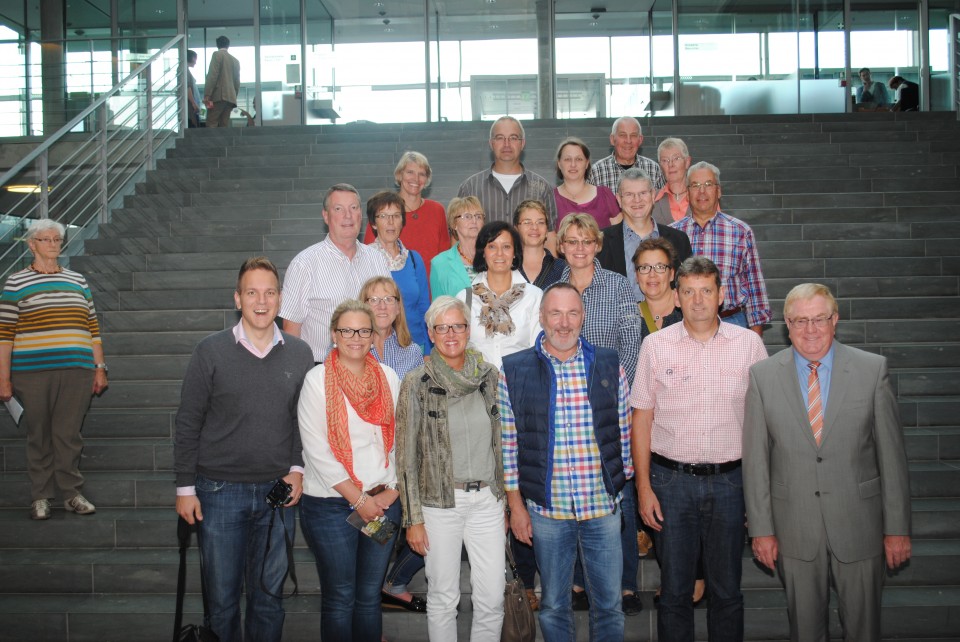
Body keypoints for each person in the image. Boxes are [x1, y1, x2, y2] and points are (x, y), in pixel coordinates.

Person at [743, 283, 912, 641]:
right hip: (794, 530)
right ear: (786, 324)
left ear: (835, 320)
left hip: (860, 525)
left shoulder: (872, 370)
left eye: (819, 319)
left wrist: (896, 528)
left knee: (864, 630)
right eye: (800, 321)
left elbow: (892, 459)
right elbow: (756, 462)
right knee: (805, 631)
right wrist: (761, 529)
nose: (810, 330)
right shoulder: (763, 376)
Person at [174, 256, 314, 642]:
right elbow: (188, 421)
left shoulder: (301, 353)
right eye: (252, 292)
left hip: (278, 491)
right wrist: (185, 489)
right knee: (221, 602)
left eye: (269, 292)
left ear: (281, 299)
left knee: (269, 598)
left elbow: (303, 421)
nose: (261, 300)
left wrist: (297, 468)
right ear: (238, 299)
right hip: (219, 492)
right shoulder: (210, 351)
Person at [630, 256, 768, 642]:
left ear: (721, 295)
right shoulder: (655, 346)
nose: (697, 300)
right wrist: (643, 488)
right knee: (674, 591)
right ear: (676, 296)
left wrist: (757, 495)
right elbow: (641, 419)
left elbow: (764, 422)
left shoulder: (750, 345)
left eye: (706, 290)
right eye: (688, 291)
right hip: (671, 483)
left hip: (731, 483)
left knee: (726, 590)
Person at [500, 282, 633, 642]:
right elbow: (508, 445)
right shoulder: (512, 371)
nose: (563, 322)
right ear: (541, 317)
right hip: (547, 511)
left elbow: (622, 428)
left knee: (608, 605)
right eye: (555, 313)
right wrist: (516, 506)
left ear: (583, 317)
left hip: (601, 508)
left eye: (572, 313)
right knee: (555, 605)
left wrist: (618, 486)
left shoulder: (607, 363)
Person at [396, 296, 506, 641]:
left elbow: (504, 441)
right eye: (441, 327)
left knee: (491, 598)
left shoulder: (490, 377)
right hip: (438, 505)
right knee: (443, 598)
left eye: (457, 325)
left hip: (487, 502)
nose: (450, 333)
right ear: (430, 333)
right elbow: (405, 457)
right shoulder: (417, 382)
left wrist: (507, 498)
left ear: (468, 330)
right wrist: (413, 519)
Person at [298, 299, 402, 642]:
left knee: (369, 597)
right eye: (347, 330)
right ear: (333, 334)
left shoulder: (388, 377)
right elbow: (317, 451)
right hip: (331, 505)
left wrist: (393, 490)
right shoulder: (316, 381)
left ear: (374, 336)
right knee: (341, 597)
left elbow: (403, 439)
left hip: (383, 502)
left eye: (363, 330)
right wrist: (359, 500)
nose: (355, 337)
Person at [0, 220, 107, 521]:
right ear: (31, 245)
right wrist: (3, 378)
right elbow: (5, 335)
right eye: (45, 239)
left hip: (77, 370)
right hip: (31, 373)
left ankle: (71, 493)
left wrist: (100, 368)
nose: (52, 244)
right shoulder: (15, 283)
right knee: (39, 435)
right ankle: (41, 497)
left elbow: (93, 329)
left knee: (69, 434)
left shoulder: (78, 280)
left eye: (57, 239)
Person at [631, 237, 706, 603]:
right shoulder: (630, 315)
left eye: (660, 267)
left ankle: (694, 576)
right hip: (646, 424)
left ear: (673, 273)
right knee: (661, 508)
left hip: (688, 428)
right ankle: (675, 573)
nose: (652, 275)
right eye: (644, 267)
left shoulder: (690, 313)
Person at [279, 183, 390, 362]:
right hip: (320, 369)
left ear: (360, 215)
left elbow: (389, 315)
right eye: (338, 209)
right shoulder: (304, 264)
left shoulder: (377, 260)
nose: (348, 215)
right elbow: (291, 330)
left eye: (353, 208)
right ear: (326, 216)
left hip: (371, 366)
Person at [671, 161, 771, 334]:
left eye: (708, 184)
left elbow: (755, 286)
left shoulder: (740, 231)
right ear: (687, 193)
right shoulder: (672, 233)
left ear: (719, 191)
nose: (702, 191)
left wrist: (755, 335)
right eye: (695, 185)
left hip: (732, 321)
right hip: (685, 323)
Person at [557, 214, 642, 384]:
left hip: (611, 390)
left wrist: (612, 386)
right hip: (565, 391)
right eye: (572, 242)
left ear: (597, 245)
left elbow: (631, 347)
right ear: (561, 246)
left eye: (587, 241)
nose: (580, 248)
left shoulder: (619, 286)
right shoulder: (552, 293)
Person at [456, 221, 543, 369]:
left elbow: (538, 351)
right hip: (477, 387)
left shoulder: (534, 296)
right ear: (483, 252)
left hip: (519, 385)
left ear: (515, 252)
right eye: (492, 247)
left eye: (506, 247)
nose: (499, 254)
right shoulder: (464, 298)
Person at [597, 168, 692, 303]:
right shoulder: (601, 241)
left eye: (643, 193)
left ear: (653, 195)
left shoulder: (679, 240)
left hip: (668, 321)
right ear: (618, 199)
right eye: (629, 194)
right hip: (618, 321)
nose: (637, 200)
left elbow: (686, 288)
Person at [457, 116, 557, 236]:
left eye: (513, 138)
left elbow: (550, 235)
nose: (507, 144)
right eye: (500, 138)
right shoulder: (470, 187)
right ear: (491, 143)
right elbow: (458, 236)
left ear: (522, 143)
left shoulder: (542, 188)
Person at [363, 151, 451, 281]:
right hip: (393, 290)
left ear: (426, 179)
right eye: (410, 172)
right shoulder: (382, 210)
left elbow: (444, 255)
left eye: (421, 174)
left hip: (432, 288)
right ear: (399, 175)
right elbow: (368, 254)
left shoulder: (437, 210)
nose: (416, 179)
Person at [365, 190, 430, 353]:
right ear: (373, 223)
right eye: (384, 216)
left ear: (402, 221)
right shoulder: (364, 258)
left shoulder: (414, 259)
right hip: (378, 348)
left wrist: (428, 350)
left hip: (417, 345)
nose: (391, 222)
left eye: (396, 215)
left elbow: (425, 307)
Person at [360, 276, 424, 380]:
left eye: (388, 299)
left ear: (398, 308)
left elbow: (419, 394)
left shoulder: (413, 352)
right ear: (363, 307)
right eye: (374, 300)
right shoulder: (349, 348)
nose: (382, 306)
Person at [553, 137, 620, 230]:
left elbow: (620, 235)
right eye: (567, 159)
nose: (573, 164)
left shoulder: (605, 196)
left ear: (587, 163)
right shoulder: (550, 199)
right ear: (559, 164)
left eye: (579, 159)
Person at [589, 116, 665, 192]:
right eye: (622, 135)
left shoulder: (654, 169)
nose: (628, 141)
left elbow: (662, 201)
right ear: (612, 139)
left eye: (633, 135)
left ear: (640, 140)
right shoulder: (596, 172)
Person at [430, 196, 484, 299]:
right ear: (454, 224)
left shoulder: (493, 257)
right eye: (467, 216)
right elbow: (437, 309)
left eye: (478, 216)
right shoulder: (439, 263)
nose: (474, 221)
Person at [514, 199, 565, 289]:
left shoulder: (562, 268)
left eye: (540, 222)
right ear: (516, 229)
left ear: (546, 230)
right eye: (527, 222)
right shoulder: (507, 266)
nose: (534, 227)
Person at [203, 35, 240, 128]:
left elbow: (212, 75)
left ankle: (212, 142)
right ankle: (224, 143)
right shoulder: (235, 60)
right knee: (224, 124)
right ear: (228, 45)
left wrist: (207, 94)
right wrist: (234, 95)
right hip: (230, 98)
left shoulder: (217, 55)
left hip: (219, 96)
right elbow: (237, 81)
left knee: (212, 121)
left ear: (217, 45)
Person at [653, 138, 693, 224]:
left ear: (687, 162)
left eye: (676, 158)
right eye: (665, 160)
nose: (671, 164)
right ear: (660, 166)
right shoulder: (651, 199)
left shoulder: (702, 196)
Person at [186, 49, 202, 127]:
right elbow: (187, 88)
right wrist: (194, 103)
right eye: (195, 59)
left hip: (193, 107)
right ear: (192, 58)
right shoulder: (185, 72)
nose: (196, 62)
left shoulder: (186, 71)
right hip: (191, 108)